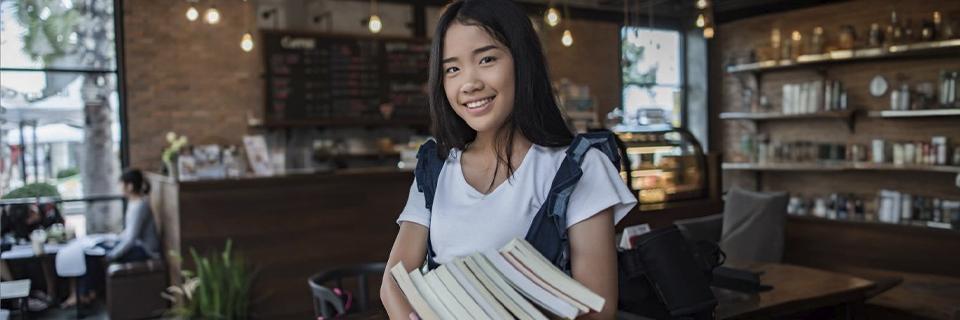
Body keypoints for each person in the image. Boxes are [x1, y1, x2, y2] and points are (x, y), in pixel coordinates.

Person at [379, 1, 636, 319]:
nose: (469, 83)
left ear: (522, 61)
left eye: (486, 59)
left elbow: (598, 310)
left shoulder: (578, 169)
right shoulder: (435, 168)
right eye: (452, 69)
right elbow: (394, 280)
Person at [61, 168, 161, 307]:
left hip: (145, 251)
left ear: (130, 186)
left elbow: (131, 239)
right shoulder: (134, 203)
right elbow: (129, 233)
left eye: (121, 184)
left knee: (94, 255)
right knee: (91, 250)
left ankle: (84, 293)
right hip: (137, 246)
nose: (119, 187)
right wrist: (113, 239)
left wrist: (112, 255)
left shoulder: (140, 206)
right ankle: (87, 293)